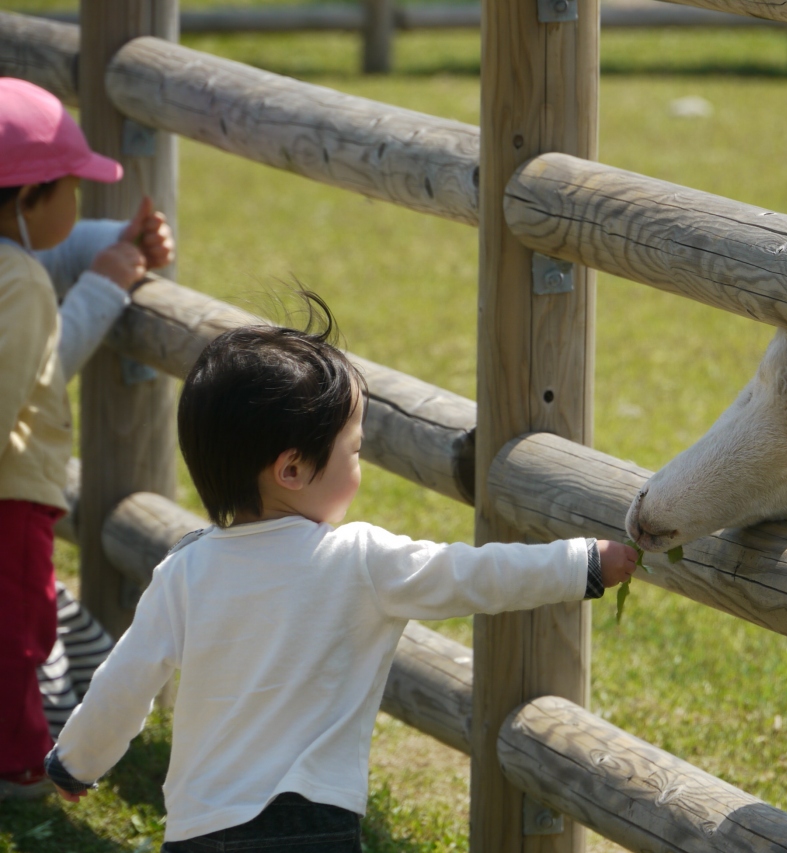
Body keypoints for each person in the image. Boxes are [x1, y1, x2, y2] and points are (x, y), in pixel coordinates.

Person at [44, 294, 639, 851]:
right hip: (310, 823)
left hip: (200, 825)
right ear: (292, 470)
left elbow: (123, 682)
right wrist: (584, 562)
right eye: (354, 451)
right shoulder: (357, 559)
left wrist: (75, 761)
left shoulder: (185, 569)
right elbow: (476, 575)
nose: (359, 467)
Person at [0, 76, 174, 801]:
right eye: (71, 186)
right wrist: (106, 282)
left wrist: (116, 247)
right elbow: (26, 382)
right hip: (9, 495)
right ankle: (19, 764)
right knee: (18, 633)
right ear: (27, 198)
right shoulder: (19, 283)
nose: (80, 200)